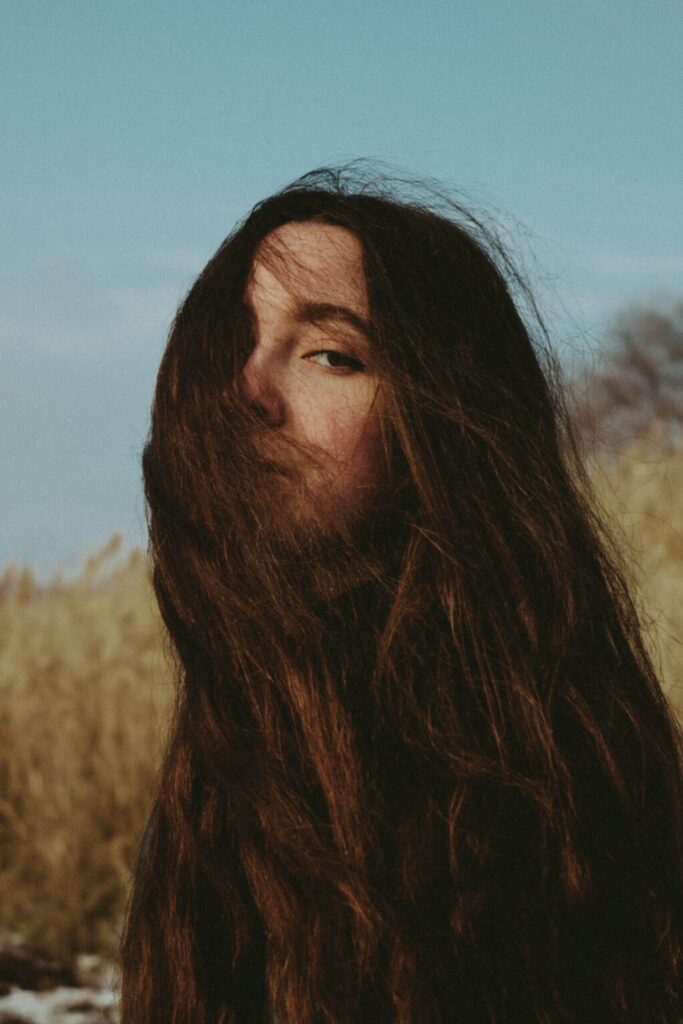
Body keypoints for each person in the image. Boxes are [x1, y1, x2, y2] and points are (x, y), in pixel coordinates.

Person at [118, 164, 683, 1024]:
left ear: (445, 418)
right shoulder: (234, 725)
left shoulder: (534, 789)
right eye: (231, 342)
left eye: (329, 354)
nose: (246, 389)